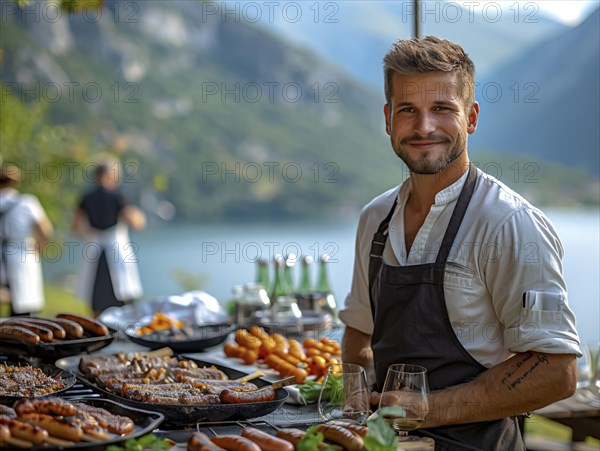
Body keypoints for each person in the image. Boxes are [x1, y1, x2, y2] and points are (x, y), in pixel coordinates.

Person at [339, 36, 581, 450]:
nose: (423, 127)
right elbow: (359, 333)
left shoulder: (510, 224)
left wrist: (427, 408)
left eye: (442, 109)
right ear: (387, 118)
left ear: (470, 117)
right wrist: (354, 392)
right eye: (408, 110)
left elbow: (555, 372)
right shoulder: (374, 219)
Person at [72, 159, 146, 316]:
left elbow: (76, 226)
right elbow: (135, 222)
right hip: (115, 250)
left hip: (94, 251)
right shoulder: (117, 195)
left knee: (96, 297)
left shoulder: (86, 197)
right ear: (110, 174)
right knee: (122, 293)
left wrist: (91, 235)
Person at [0, 163, 53, 316]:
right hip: (22, 254)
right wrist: (39, 248)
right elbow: (46, 231)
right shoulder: (27, 202)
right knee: (24, 307)